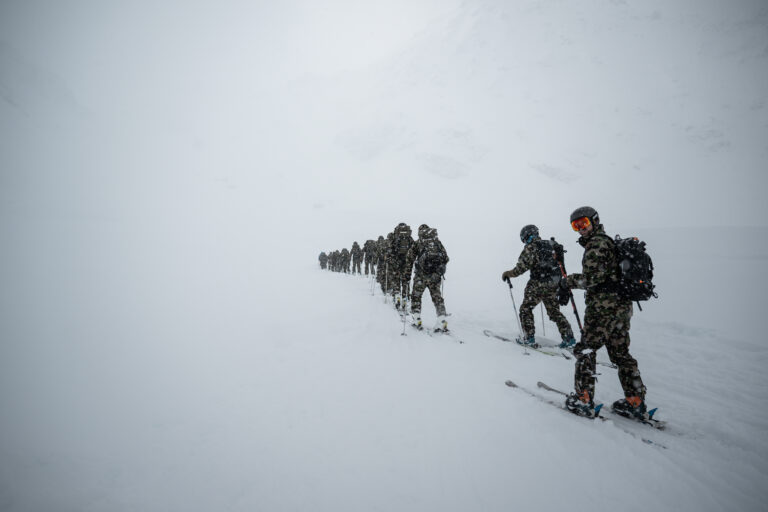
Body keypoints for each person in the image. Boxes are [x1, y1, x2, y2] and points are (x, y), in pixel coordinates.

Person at [560, 207, 647, 419]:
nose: (581, 229)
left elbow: (592, 279)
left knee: (586, 350)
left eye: (583, 223)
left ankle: (583, 399)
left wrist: (566, 282)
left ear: (594, 221)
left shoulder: (596, 244)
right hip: (621, 309)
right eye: (576, 226)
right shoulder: (607, 241)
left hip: (602, 309)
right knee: (620, 353)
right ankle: (634, 401)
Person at [501, 224, 576, 348]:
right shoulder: (551, 245)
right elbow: (560, 265)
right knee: (554, 312)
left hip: (538, 283)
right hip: (554, 283)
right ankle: (569, 339)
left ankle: (529, 337)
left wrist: (508, 274)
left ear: (526, 236)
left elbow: (521, 268)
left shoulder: (531, 248)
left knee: (526, 308)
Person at [407, 224, 449, 331]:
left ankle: (417, 319)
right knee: (437, 297)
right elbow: (446, 258)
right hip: (435, 276)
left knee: (416, 296)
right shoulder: (437, 242)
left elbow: (409, 258)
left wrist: (408, 273)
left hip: (421, 276)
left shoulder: (418, 243)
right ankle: (442, 319)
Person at [388, 223, 414, 310]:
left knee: (396, 280)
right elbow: (413, 249)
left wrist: (390, 260)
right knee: (405, 281)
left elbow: (390, 250)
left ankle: (397, 295)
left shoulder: (395, 238)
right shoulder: (409, 238)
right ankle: (405, 297)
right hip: (407, 263)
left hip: (396, 262)